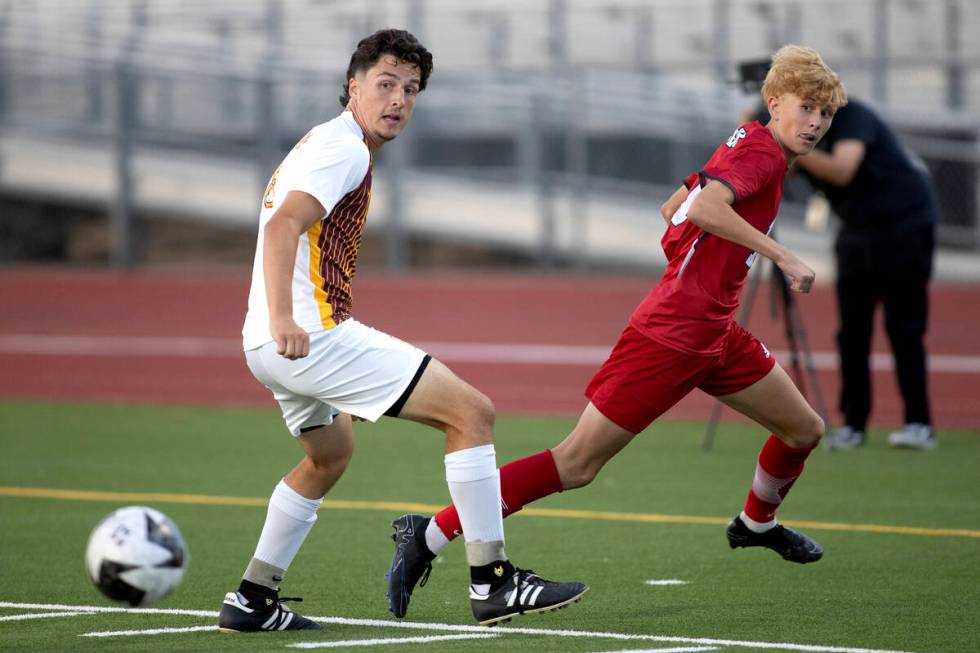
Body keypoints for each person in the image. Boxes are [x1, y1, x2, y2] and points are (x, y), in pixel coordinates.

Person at [386, 44, 848, 619]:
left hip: (714, 332)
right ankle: (428, 532)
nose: (815, 123)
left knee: (804, 429)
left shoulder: (749, 140)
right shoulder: (763, 156)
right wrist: (782, 256)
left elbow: (672, 208)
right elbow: (702, 209)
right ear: (774, 103)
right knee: (575, 464)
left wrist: (706, 260)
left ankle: (755, 523)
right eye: (806, 108)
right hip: (672, 335)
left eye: (824, 115)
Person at [218, 29, 586, 633]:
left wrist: (277, 325)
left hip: (267, 344)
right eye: (385, 84)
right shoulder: (346, 150)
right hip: (310, 335)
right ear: (352, 86)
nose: (398, 100)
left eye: (410, 90)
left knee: (328, 456)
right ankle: (492, 582)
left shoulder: (327, 142)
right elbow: (284, 226)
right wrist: (287, 318)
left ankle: (252, 599)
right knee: (472, 413)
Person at [794, 99, 938, 451]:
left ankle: (918, 423)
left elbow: (843, 169)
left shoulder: (851, 116)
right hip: (856, 230)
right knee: (852, 333)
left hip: (904, 226)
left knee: (904, 327)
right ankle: (853, 426)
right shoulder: (794, 129)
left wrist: (790, 145)